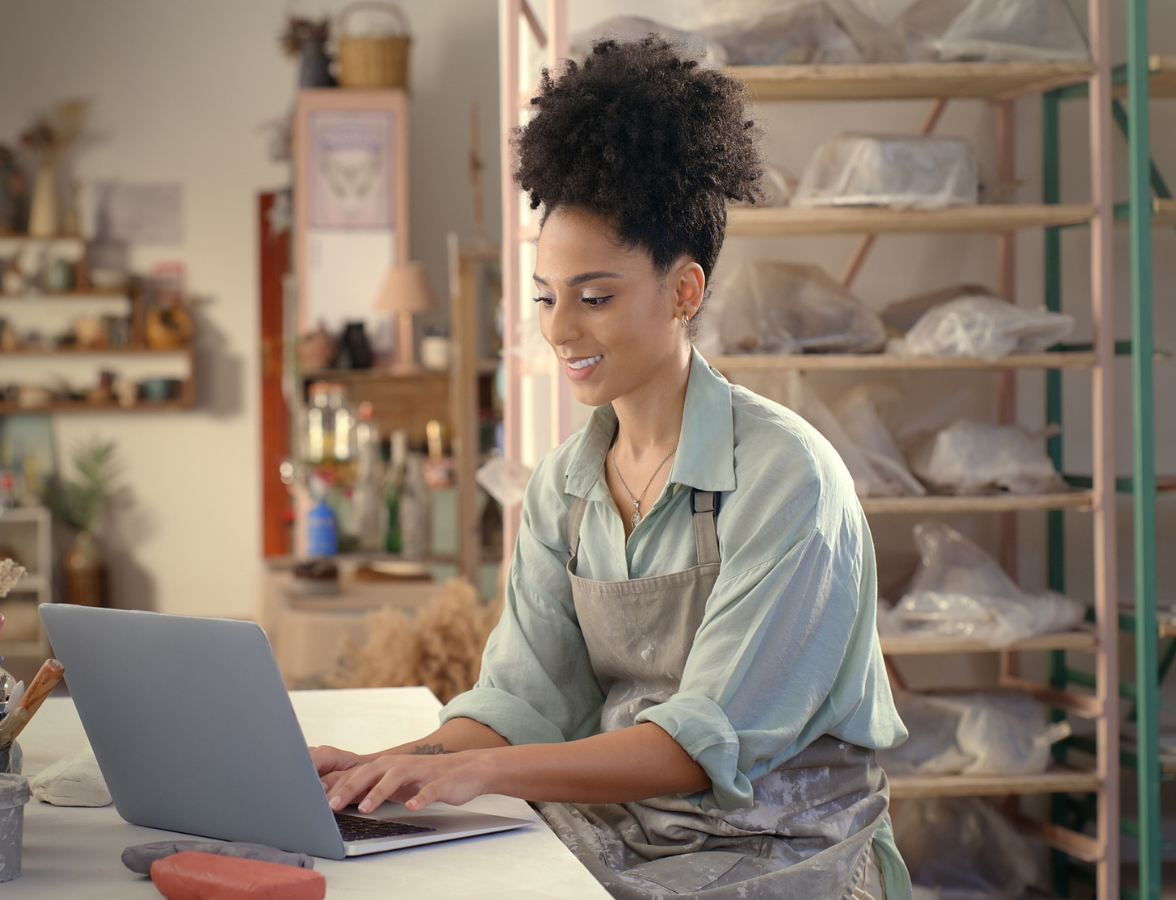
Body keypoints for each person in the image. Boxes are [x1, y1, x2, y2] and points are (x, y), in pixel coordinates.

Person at [311, 38, 909, 899]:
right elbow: (521, 703)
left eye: (594, 298)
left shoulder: (790, 481)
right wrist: (379, 768)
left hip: (790, 852)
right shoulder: (566, 485)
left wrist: (481, 778)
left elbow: (694, 743)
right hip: (632, 836)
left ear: (685, 292)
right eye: (547, 297)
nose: (559, 331)